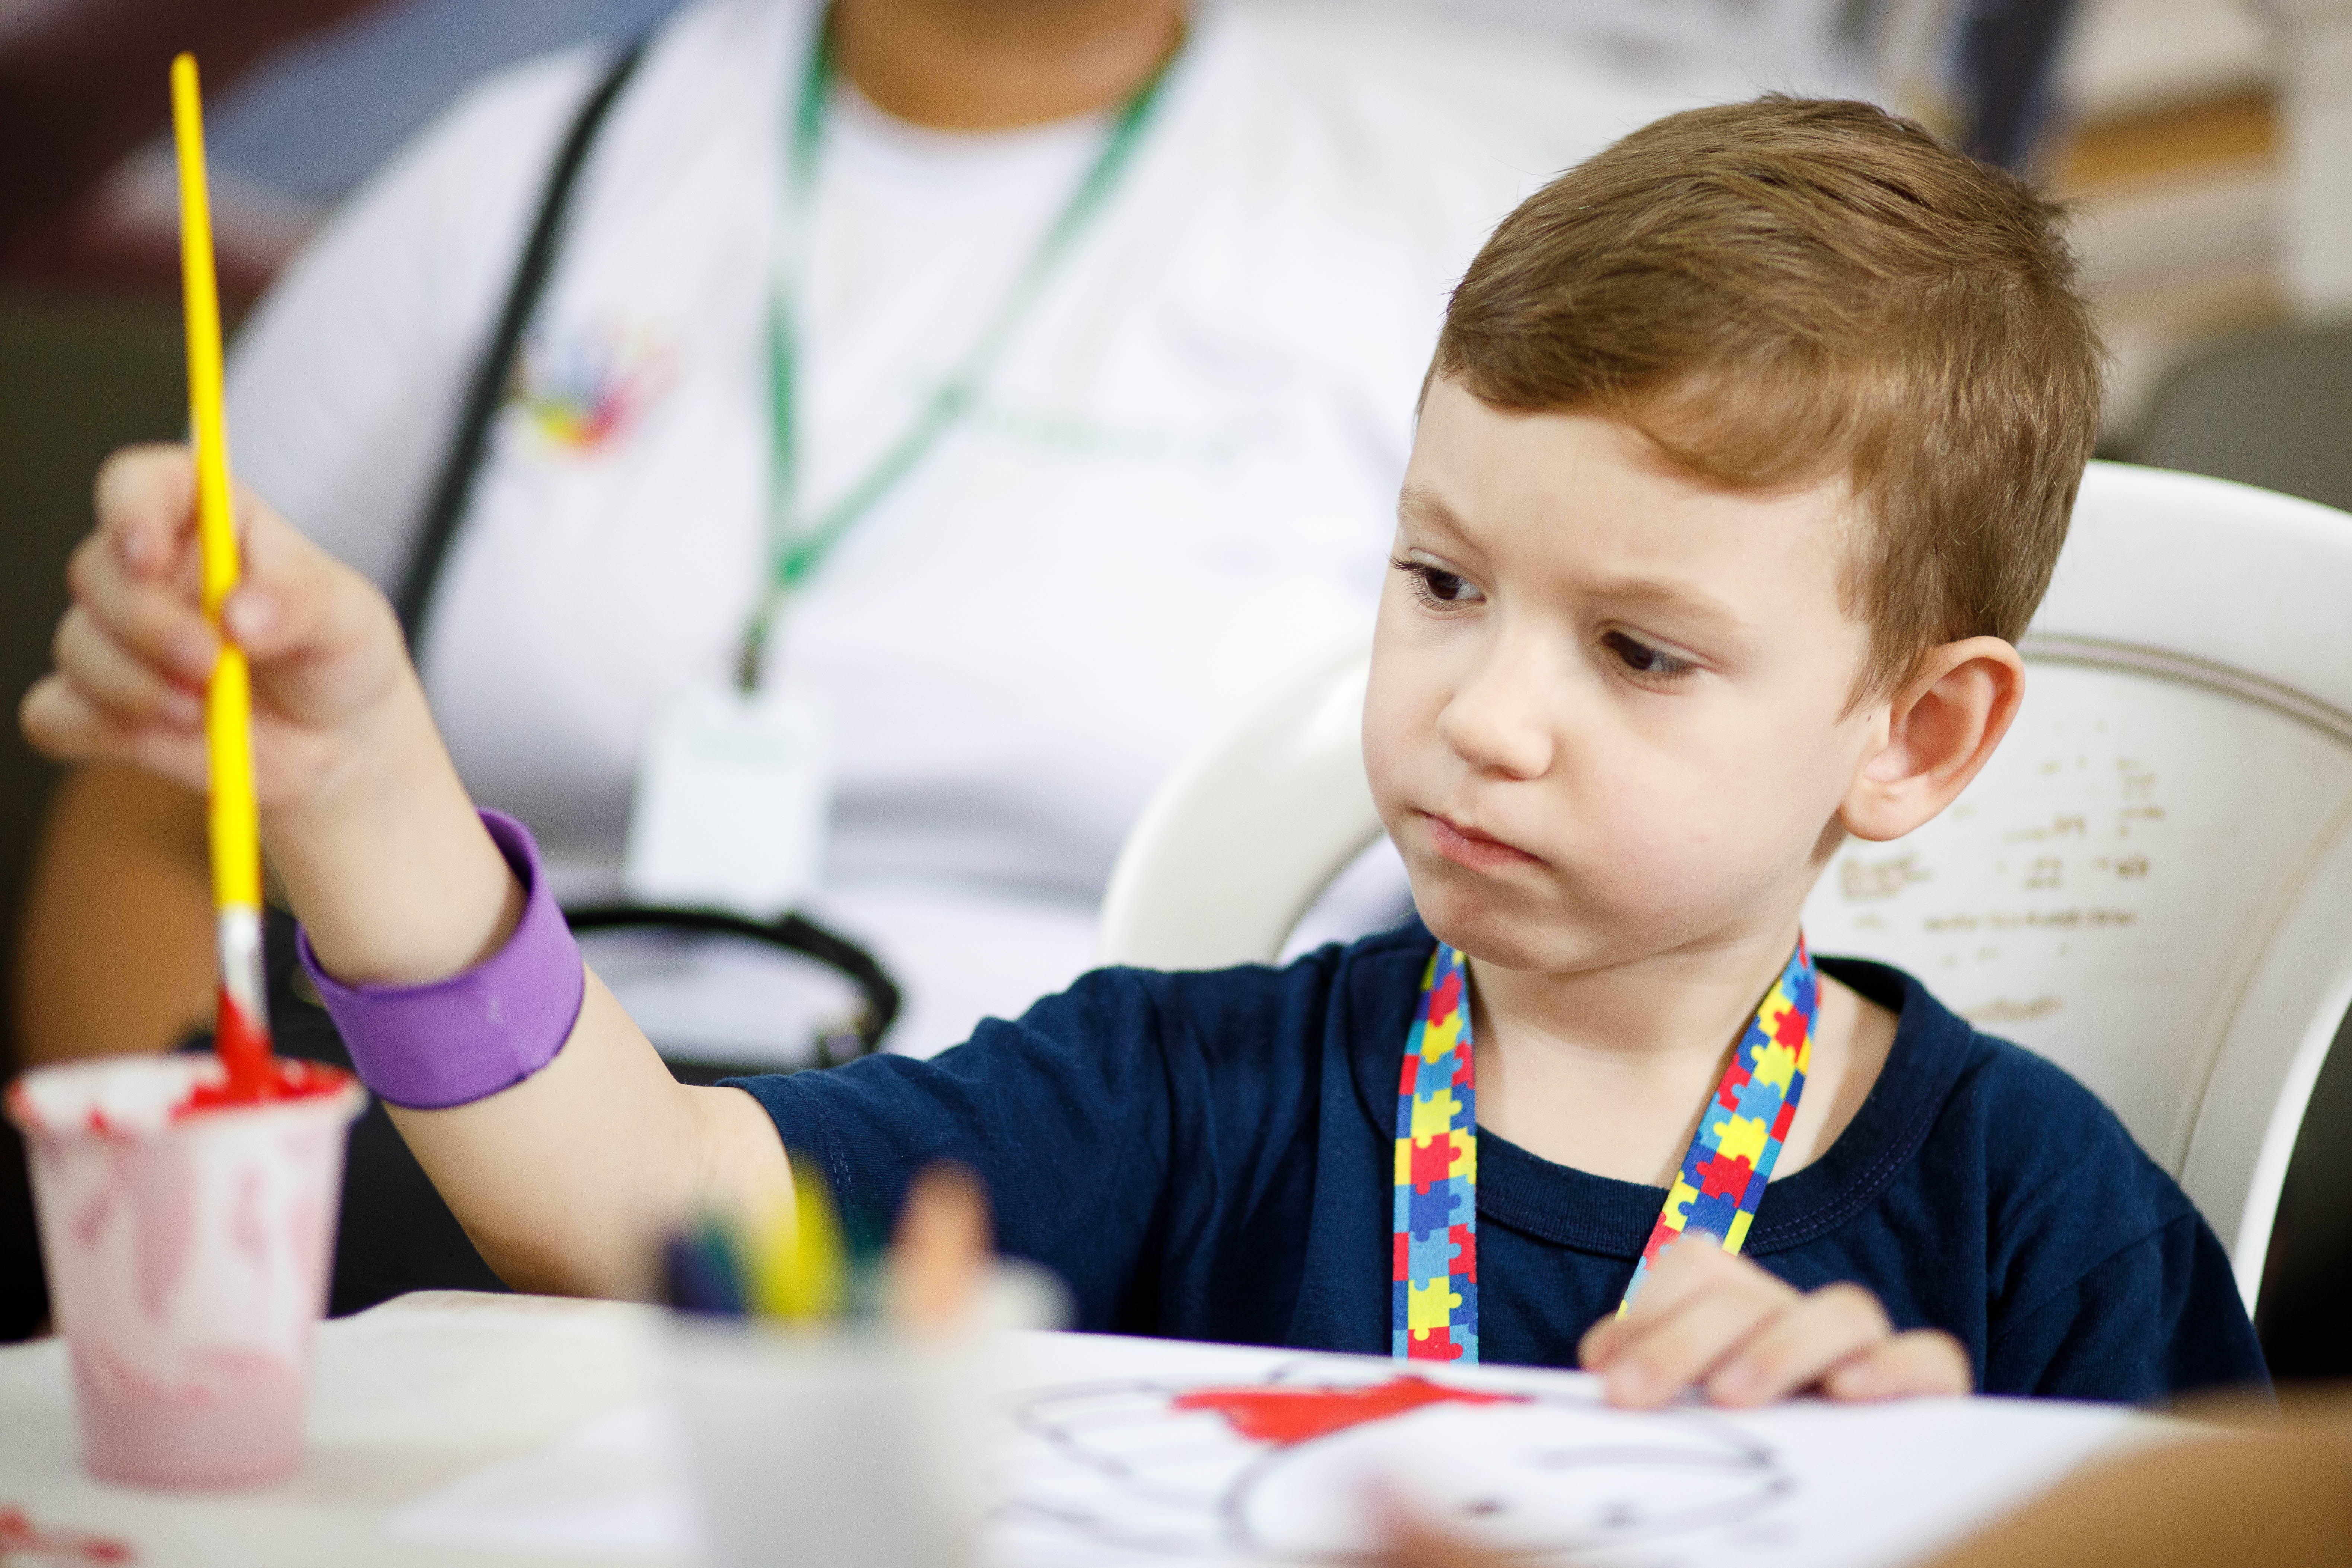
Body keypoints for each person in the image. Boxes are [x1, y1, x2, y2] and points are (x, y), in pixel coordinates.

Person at [22, 96, 2269, 1400]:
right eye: (1441, 582)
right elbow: (641, 1209)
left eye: (1640, 653)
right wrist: (361, 791)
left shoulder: (2045, 1227)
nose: (1484, 713)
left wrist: (1951, 1512)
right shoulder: (1184, 1096)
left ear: (1915, 734)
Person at [16, 0, 1530, 1078]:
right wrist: (215, 1264)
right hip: (484, 1160)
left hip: (1128, 1214)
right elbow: (167, 793)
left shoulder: (1443, 243)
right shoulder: (527, 173)